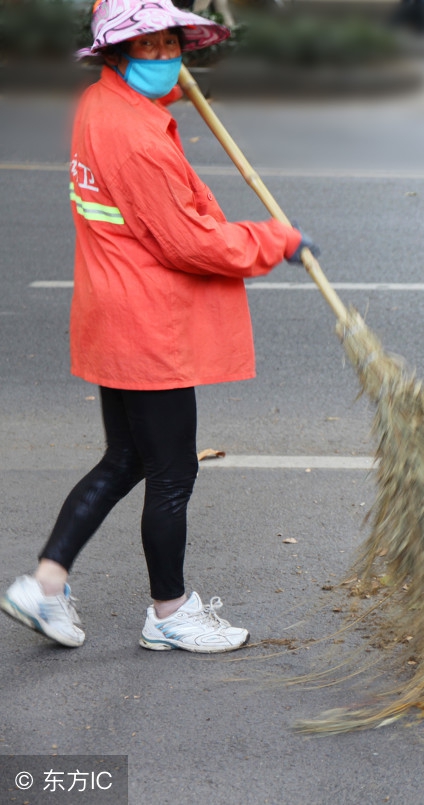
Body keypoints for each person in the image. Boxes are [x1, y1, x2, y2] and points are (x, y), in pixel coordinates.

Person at [1, 0, 314, 654]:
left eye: (173, 42)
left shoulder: (100, 105)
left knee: (124, 459)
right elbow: (191, 243)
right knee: (171, 473)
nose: (166, 55)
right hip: (148, 328)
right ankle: (169, 611)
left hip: (114, 312)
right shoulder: (138, 138)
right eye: (150, 46)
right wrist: (272, 240)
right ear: (118, 54)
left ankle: (46, 584)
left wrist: (163, 86)